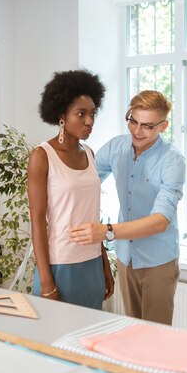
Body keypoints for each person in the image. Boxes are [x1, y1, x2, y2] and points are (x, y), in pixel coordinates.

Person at [70, 90, 185, 325]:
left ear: (163, 126)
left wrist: (107, 231)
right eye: (133, 121)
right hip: (125, 257)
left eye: (147, 126)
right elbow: (85, 182)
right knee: (132, 328)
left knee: (156, 336)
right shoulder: (116, 147)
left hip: (158, 261)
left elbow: (160, 220)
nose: (137, 131)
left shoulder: (172, 160)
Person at [27, 70, 114, 310]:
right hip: (60, 265)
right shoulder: (42, 156)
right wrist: (46, 282)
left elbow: (92, 215)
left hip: (92, 263)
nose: (89, 121)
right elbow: (37, 222)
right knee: (52, 343)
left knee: (87, 343)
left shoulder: (90, 153)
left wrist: (104, 263)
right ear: (61, 115)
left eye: (92, 114)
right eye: (81, 114)